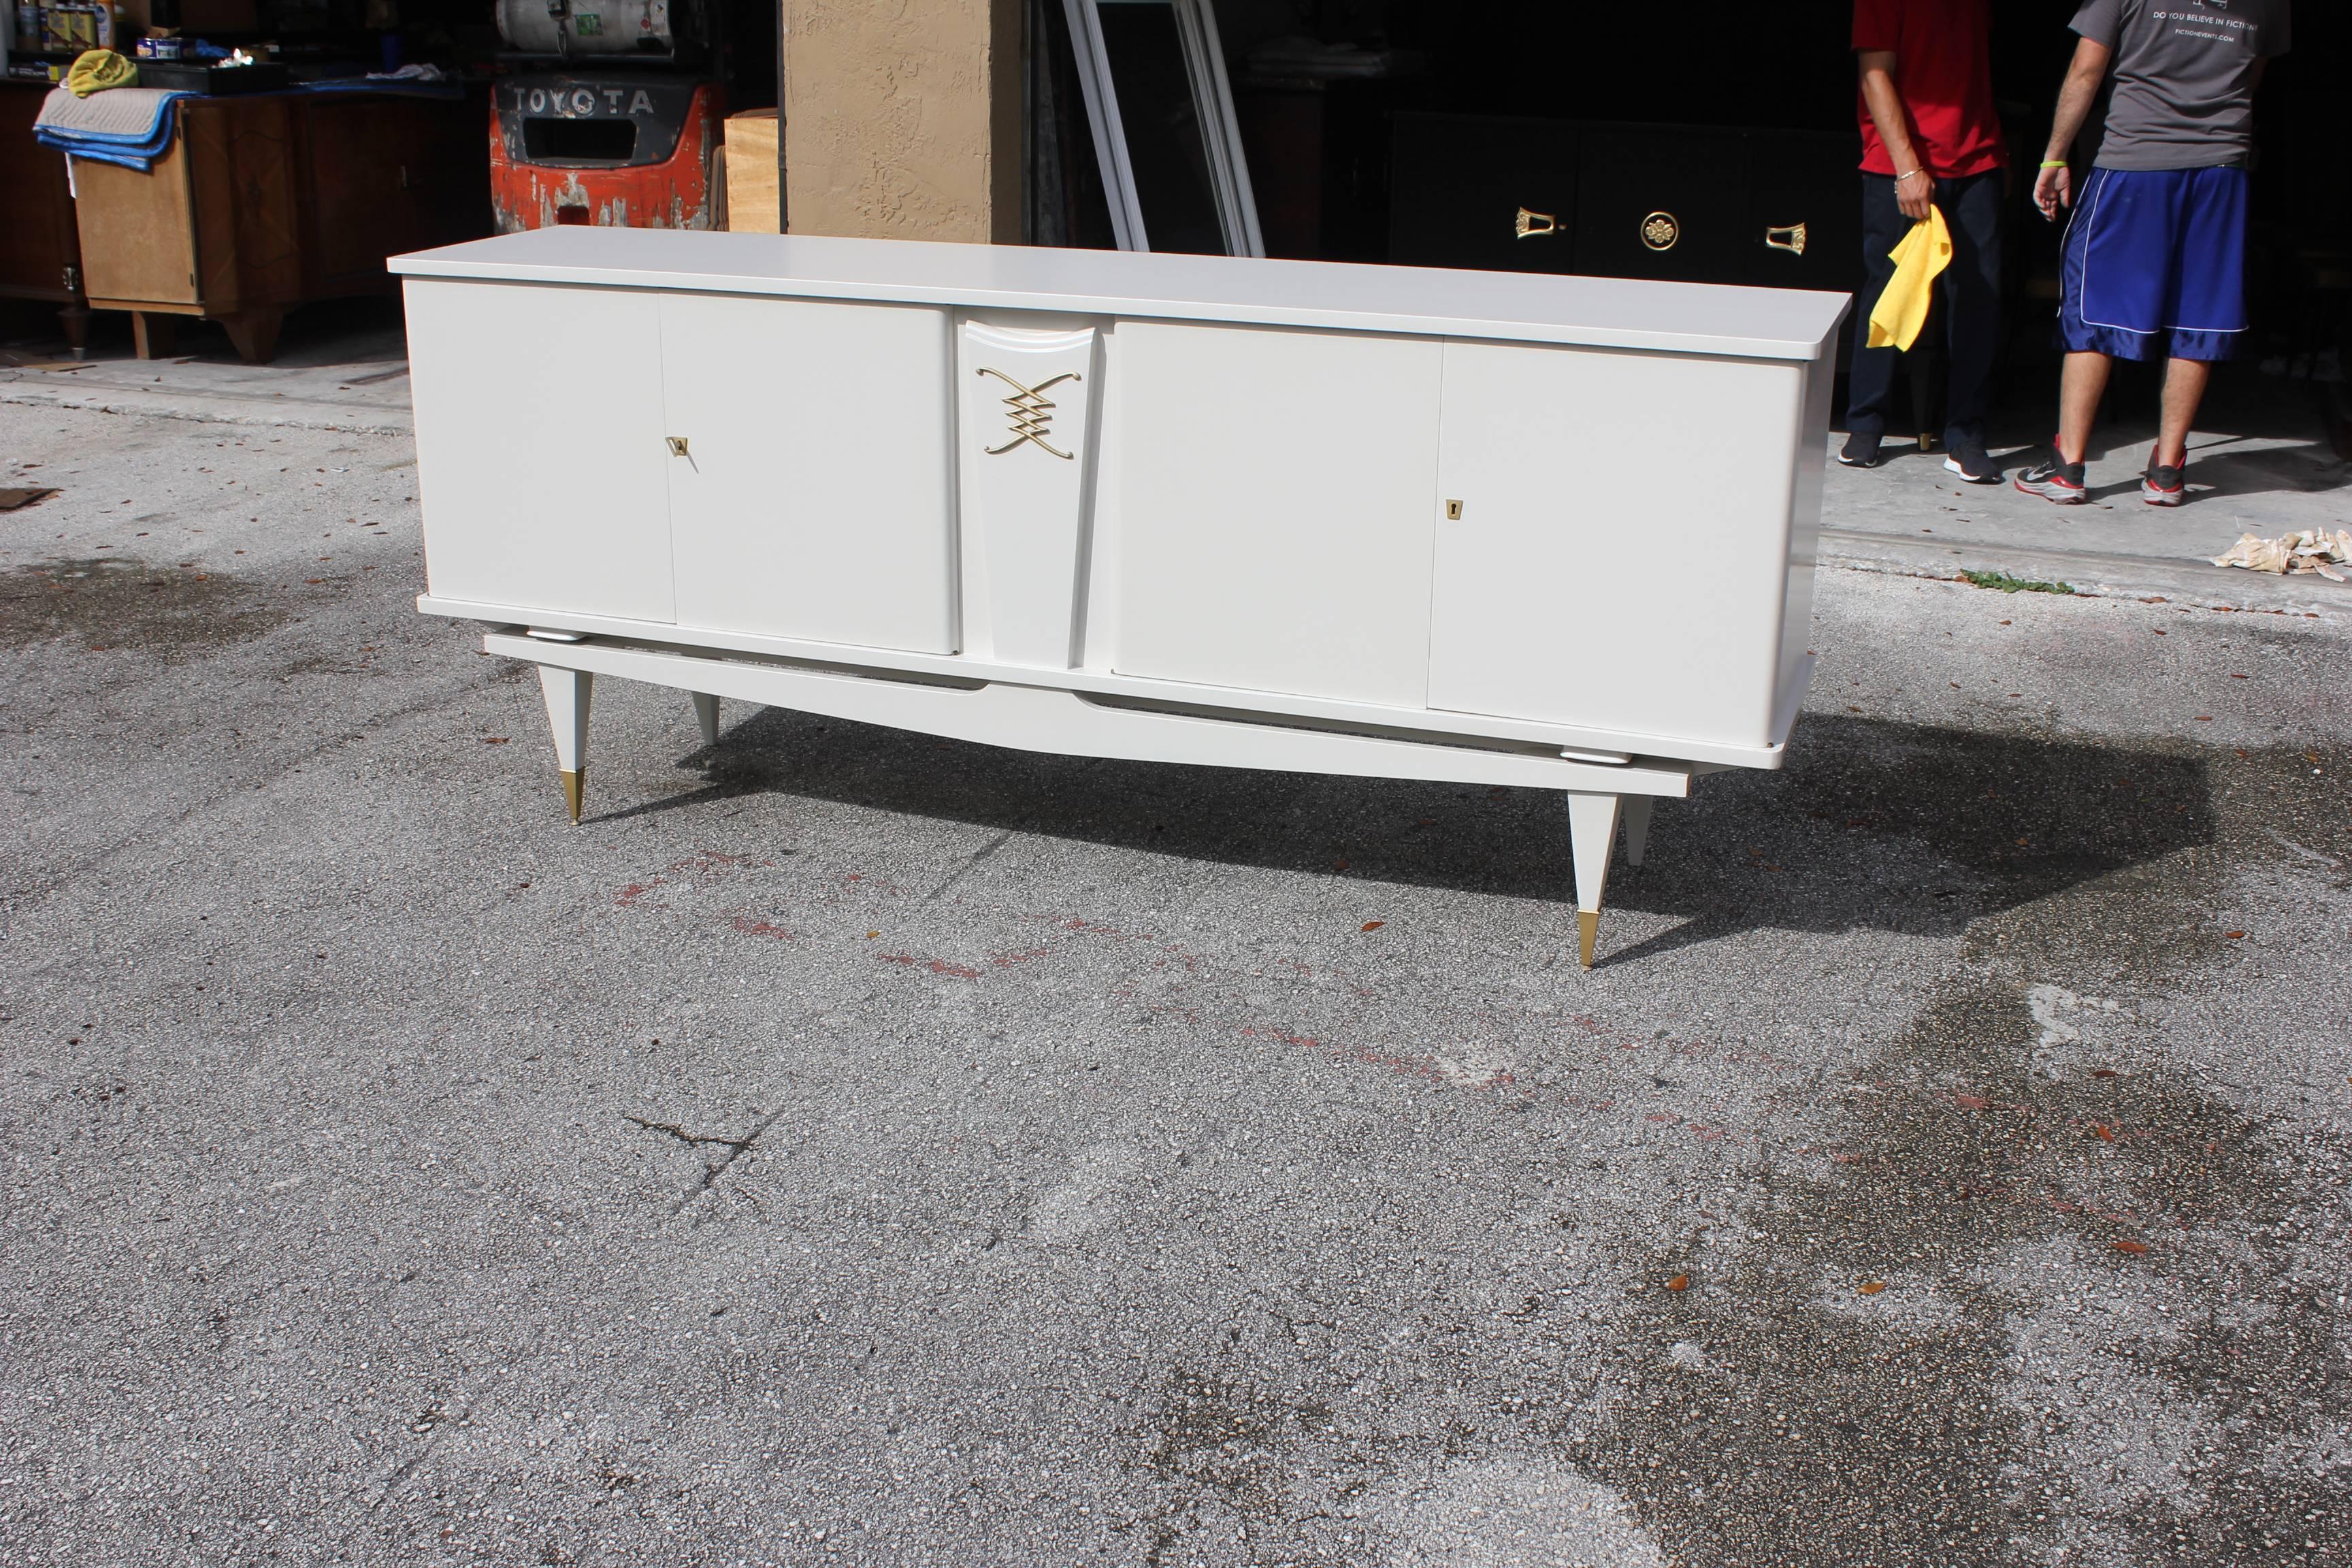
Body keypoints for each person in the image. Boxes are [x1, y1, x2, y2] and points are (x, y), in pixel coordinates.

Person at [2014, 0, 2291, 506]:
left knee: (2094, 309)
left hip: (2134, 160)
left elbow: (2086, 68)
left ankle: (2069, 468)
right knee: (2198, 315)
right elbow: (2252, 76)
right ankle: (2167, 470)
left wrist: (2056, 154)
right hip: (2221, 168)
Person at [1839, 0, 2008, 484]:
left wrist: (1998, 157)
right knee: (1889, 290)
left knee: (1978, 299)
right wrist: (1908, 166)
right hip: (1898, 162)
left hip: (1978, 159)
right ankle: (1866, 423)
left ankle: (1965, 435)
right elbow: (1874, 75)